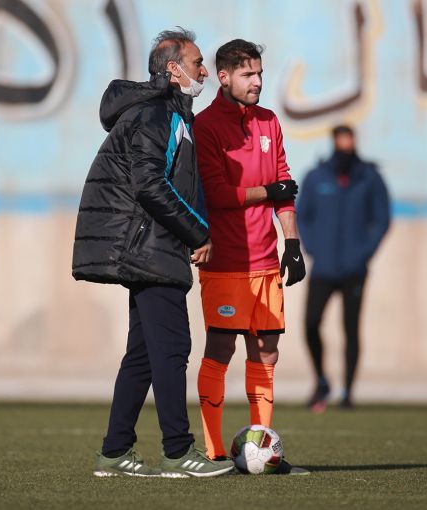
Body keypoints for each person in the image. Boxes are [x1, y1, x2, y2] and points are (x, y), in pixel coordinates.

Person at [72, 27, 234, 478]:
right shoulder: (156, 114)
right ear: (174, 69)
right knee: (172, 348)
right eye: (198, 63)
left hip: (152, 246)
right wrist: (198, 233)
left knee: (143, 354)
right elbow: (149, 185)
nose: (205, 72)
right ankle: (179, 452)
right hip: (148, 248)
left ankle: (114, 452)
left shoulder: (174, 114)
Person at [193, 39, 308, 474]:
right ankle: (213, 452)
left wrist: (292, 244)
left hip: (266, 261)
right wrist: (269, 191)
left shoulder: (269, 121)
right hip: (225, 262)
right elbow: (217, 194)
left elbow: (285, 185)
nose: (257, 81)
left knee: (266, 352)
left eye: (259, 73)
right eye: (248, 74)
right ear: (223, 78)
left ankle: (262, 447)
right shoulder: (206, 126)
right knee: (221, 346)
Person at [297, 125, 391, 412]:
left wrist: (364, 253)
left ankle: (348, 391)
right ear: (334, 142)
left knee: (351, 329)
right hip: (323, 267)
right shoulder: (316, 176)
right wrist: (313, 248)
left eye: (349, 140)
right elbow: (302, 216)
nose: (345, 146)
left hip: (354, 269)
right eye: (341, 141)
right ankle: (321, 381)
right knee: (311, 323)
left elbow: (382, 219)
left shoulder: (369, 177)